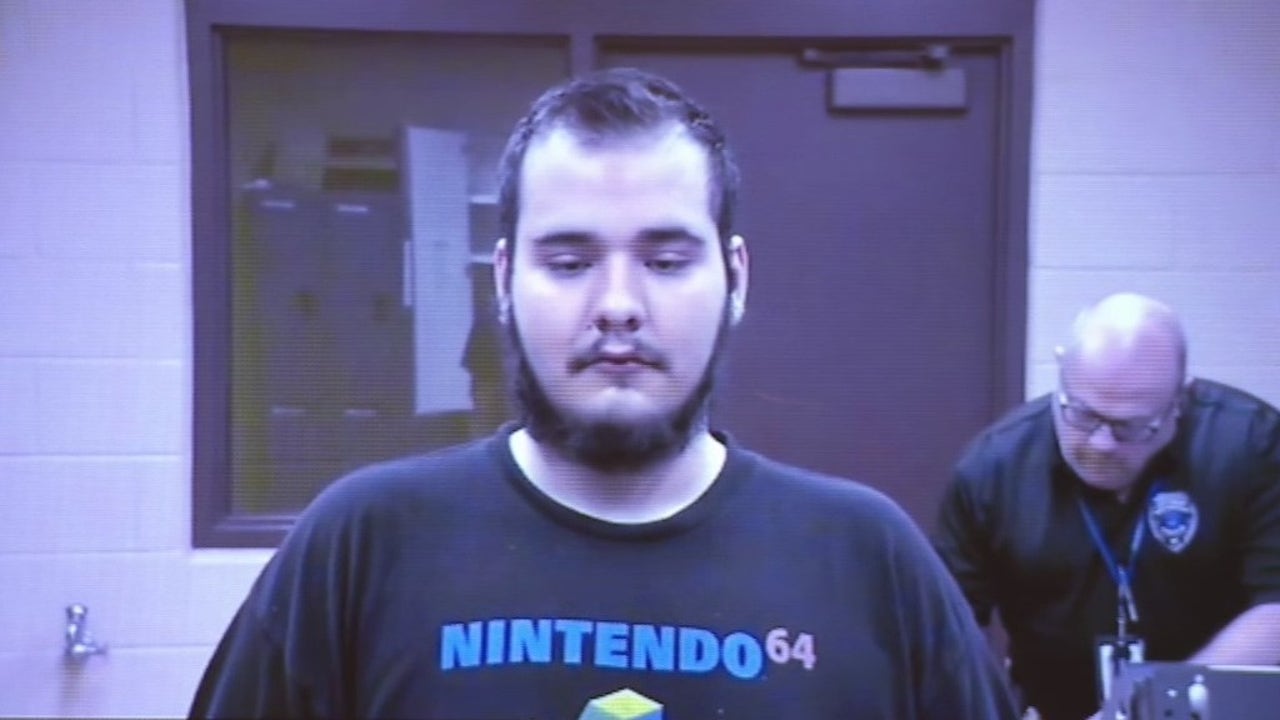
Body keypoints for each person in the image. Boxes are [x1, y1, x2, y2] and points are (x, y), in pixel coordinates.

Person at [190, 67, 1017, 719]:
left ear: (734, 278)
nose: (618, 304)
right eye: (570, 261)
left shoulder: (869, 563)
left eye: (665, 260)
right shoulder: (362, 548)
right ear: (504, 279)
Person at [934, 291, 1280, 720]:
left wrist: (1156, 708)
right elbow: (946, 635)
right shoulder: (992, 471)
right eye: (1083, 415)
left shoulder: (1252, 446)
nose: (1100, 444)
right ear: (1062, 370)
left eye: (1130, 427)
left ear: (1180, 400)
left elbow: (1275, 608)